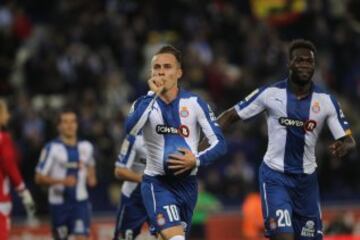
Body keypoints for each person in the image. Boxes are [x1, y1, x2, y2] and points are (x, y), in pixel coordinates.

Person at [215, 39, 356, 240]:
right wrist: (201, 141)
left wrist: (345, 145)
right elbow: (230, 115)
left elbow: (348, 139)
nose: (305, 65)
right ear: (289, 63)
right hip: (276, 177)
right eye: (299, 60)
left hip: (306, 182)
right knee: (284, 237)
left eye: (309, 61)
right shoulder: (270, 94)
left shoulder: (326, 101)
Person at [124, 45, 227, 240]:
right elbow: (131, 129)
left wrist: (195, 160)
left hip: (187, 186)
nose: (161, 71)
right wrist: (151, 95)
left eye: (167, 67)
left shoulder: (195, 103)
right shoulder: (142, 103)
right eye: (157, 67)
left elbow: (220, 143)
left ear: (179, 72)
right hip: (157, 183)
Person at [35, 109, 97, 240]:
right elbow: (39, 178)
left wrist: (91, 176)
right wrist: (62, 182)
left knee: (82, 237)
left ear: (77, 124)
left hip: (80, 203)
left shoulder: (86, 146)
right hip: (59, 205)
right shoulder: (51, 148)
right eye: (65, 122)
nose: (70, 125)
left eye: (73, 121)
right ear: (59, 126)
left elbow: (90, 163)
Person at [0, 99, 35, 239]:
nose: (8, 116)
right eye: (6, 112)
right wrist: (23, 191)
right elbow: (10, 166)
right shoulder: (3, 138)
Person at [113, 134, 153, 240]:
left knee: (169, 235)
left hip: (159, 199)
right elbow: (119, 171)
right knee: (124, 237)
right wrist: (145, 179)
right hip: (133, 199)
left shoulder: (170, 138)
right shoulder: (134, 139)